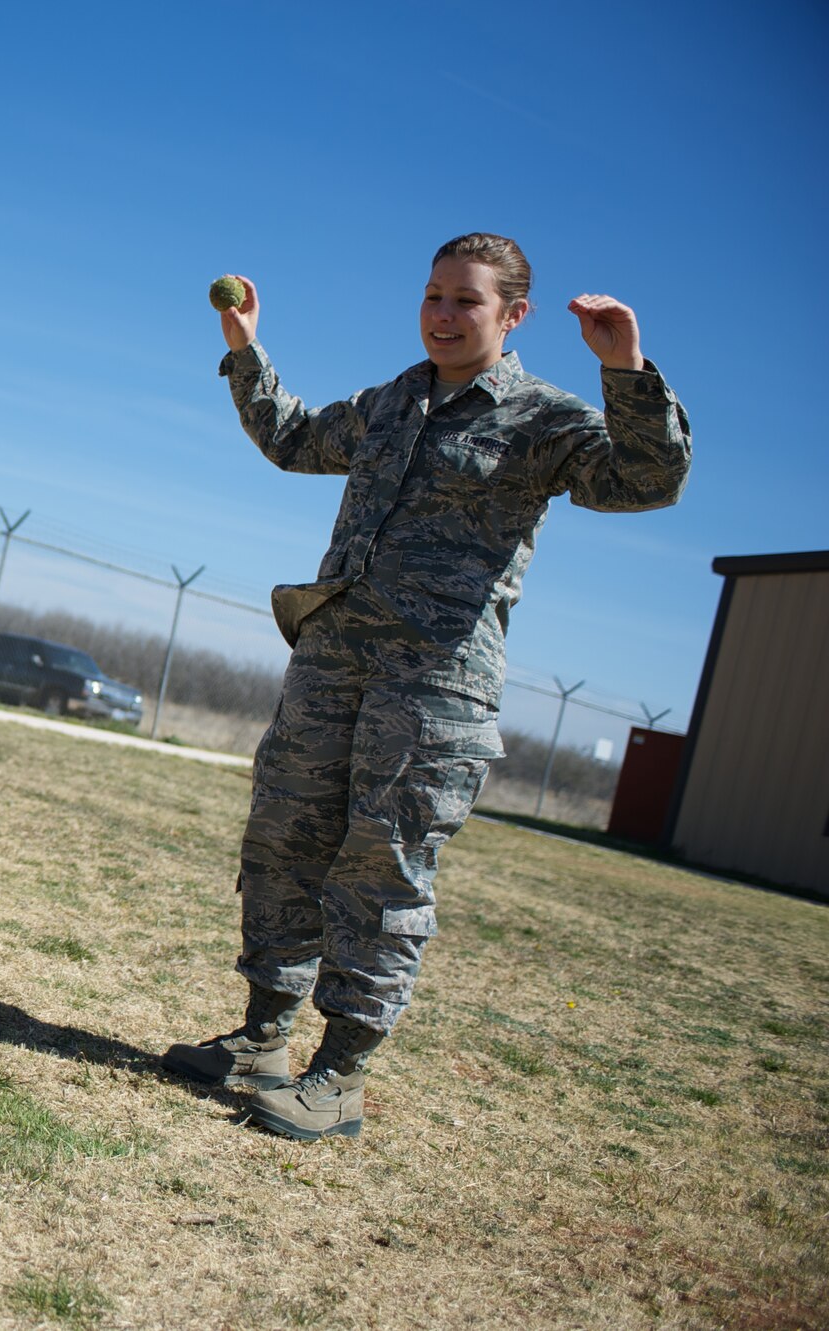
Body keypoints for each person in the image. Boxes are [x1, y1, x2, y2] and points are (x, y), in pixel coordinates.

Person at [161, 234, 691, 1140]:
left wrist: (628, 373)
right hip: (334, 659)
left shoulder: (543, 418)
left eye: (467, 302)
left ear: (513, 315)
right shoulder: (394, 399)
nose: (443, 315)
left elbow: (646, 480)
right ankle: (260, 1038)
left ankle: (340, 1075)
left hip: (435, 686)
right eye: (434, 296)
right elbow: (291, 439)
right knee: (285, 839)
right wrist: (244, 349)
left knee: (382, 868)